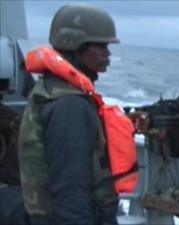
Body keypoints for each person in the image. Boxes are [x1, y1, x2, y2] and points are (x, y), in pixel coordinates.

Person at [18, 4, 148, 225]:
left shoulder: (54, 91)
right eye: (100, 46)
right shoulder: (69, 105)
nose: (108, 54)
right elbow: (70, 188)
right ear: (75, 47)